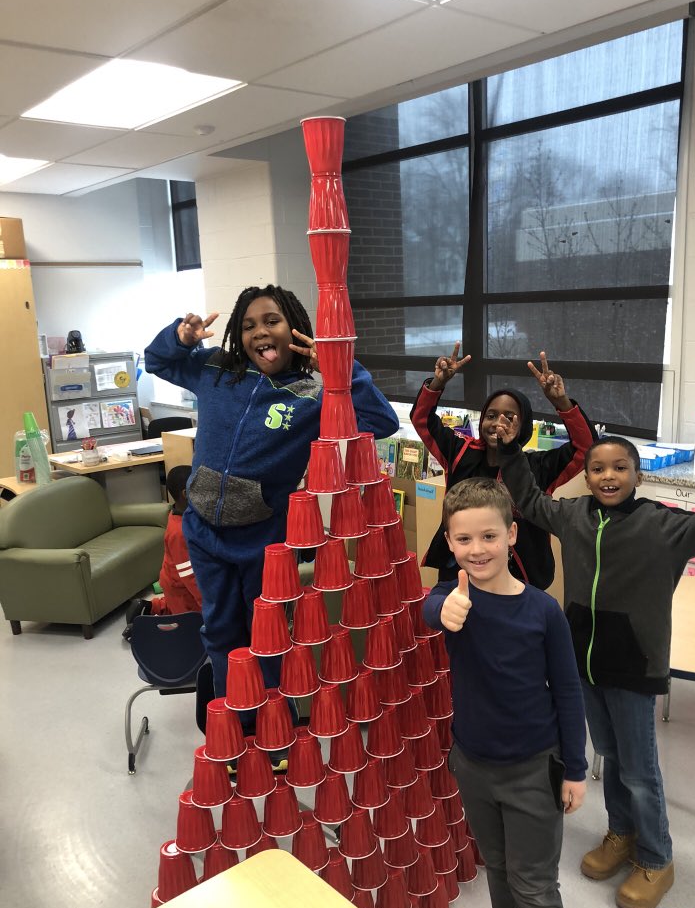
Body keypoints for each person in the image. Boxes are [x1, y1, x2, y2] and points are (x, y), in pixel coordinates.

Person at [495, 403, 695, 908]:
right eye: (597, 468)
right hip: (584, 661)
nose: (607, 476)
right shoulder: (571, 516)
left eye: (619, 468)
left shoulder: (662, 527)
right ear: (586, 476)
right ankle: (622, 833)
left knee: (639, 769)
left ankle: (657, 856)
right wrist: (508, 447)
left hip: (634, 665)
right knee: (609, 755)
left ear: (636, 475)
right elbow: (524, 497)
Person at [144, 285, 399, 708]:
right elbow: (157, 360)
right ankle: (237, 721)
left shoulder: (314, 394)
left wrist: (339, 370)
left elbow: (381, 420)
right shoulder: (215, 369)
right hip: (204, 531)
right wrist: (180, 337)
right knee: (220, 630)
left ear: (294, 329)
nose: (259, 332)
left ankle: (272, 722)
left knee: (265, 633)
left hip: (264, 540)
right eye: (248, 326)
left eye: (271, 321)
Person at [423, 477, 587, 908]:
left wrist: (577, 771)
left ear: (513, 535)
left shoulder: (542, 610)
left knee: (535, 886)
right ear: (449, 543)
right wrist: (443, 610)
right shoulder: (452, 599)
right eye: (464, 539)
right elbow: (429, 608)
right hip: (473, 763)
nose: (478, 549)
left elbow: (567, 690)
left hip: (533, 769)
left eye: (489, 536)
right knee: (496, 864)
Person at [410, 346, 596, 586]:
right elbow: (422, 420)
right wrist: (437, 383)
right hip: (461, 573)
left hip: (521, 580)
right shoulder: (460, 452)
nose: (498, 423)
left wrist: (560, 401)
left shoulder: (538, 467)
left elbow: (586, 449)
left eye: (509, 417)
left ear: (524, 426)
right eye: (491, 415)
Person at [122, 464, 202, 640]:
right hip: (180, 587)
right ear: (185, 494)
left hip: (174, 583)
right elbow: (188, 575)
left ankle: (152, 607)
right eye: (198, 486)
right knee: (190, 624)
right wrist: (207, 603)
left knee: (179, 606)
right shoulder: (179, 532)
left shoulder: (182, 516)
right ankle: (142, 630)